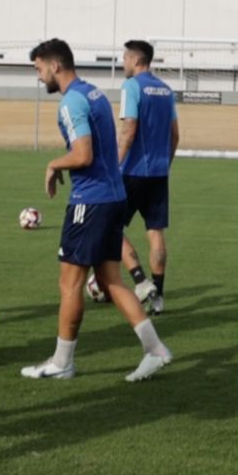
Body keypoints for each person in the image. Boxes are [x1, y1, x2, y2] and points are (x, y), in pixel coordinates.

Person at [21, 38, 172, 382]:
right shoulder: (93, 93)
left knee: (70, 283)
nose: (39, 76)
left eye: (39, 68)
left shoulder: (71, 102)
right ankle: (156, 349)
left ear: (54, 66)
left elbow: (83, 153)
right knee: (110, 278)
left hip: (90, 202)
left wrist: (53, 164)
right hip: (113, 196)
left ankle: (62, 362)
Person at [116, 39, 179, 316]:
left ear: (136, 60)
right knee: (155, 232)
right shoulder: (166, 91)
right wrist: (166, 163)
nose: (123, 63)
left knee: (110, 228)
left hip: (132, 171)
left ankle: (141, 281)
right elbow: (175, 135)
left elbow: (129, 130)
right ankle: (159, 297)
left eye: (125, 58)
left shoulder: (131, 87)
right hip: (158, 172)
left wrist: (113, 168)